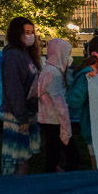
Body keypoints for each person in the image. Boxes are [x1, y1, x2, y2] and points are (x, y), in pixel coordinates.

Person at [1, 17, 41, 175]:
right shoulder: (12, 56)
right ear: (17, 34)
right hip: (18, 115)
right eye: (27, 32)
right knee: (18, 157)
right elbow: (14, 88)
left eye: (32, 32)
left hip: (29, 111)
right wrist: (22, 117)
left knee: (25, 155)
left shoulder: (26, 53)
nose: (30, 36)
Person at [67, 36, 98, 170]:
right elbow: (73, 101)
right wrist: (89, 83)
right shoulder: (85, 74)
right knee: (97, 165)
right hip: (93, 129)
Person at [38, 39, 79, 173]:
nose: (69, 58)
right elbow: (60, 105)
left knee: (53, 156)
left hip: (48, 120)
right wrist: (66, 130)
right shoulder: (53, 74)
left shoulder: (48, 70)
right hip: (55, 122)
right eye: (68, 54)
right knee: (71, 156)